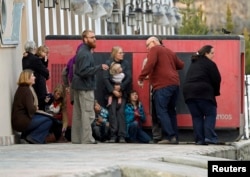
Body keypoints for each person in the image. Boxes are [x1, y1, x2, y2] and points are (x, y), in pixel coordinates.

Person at [138, 36, 184, 144]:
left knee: (161, 111)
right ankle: (174, 137)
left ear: (154, 42)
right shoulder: (169, 51)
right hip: (175, 84)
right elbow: (181, 65)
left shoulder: (155, 49)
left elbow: (150, 64)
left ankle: (169, 136)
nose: (147, 48)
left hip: (162, 85)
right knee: (171, 111)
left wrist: (141, 77)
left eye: (147, 45)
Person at [71, 30, 109, 144]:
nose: (94, 39)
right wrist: (99, 67)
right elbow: (83, 71)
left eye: (95, 37)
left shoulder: (82, 51)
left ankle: (77, 138)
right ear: (85, 39)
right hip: (85, 87)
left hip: (78, 86)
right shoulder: (85, 53)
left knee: (78, 114)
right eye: (92, 37)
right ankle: (87, 139)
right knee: (88, 113)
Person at [183, 45, 221, 145]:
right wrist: (215, 92)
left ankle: (200, 139)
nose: (214, 55)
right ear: (206, 53)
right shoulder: (210, 64)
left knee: (197, 117)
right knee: (210, 114)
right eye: (212, 53)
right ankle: (210, 137)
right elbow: (217, 79)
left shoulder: (194, 63)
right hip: (203, 92)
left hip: (188, 93)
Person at [11, 69, 53, 144]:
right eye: (32, 76)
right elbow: (31, 109)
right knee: (49, 120)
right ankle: (34, 138)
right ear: (27, 78)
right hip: (22, 122)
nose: (34, 77)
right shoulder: (26, 90)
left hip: (19, 121)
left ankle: (25, 137)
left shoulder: (22, 89)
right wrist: (35, 108)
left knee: (45, 118)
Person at [103, 46, 132, 143]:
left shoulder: (125, 64)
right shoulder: (108, 63)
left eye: (122, 52)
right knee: (112, 114)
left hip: (122, 93)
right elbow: (105, 78)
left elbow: (128, 77)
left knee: (121, 113)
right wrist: (113, 90)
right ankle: (113, 135)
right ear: (114, 54)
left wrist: (121, 87)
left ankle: (122, 135)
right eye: (120, 53)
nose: (122, 54)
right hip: (111, 94)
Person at [22, 41, 50, 111]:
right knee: (40, 103)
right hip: (37, 83)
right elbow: (44, 71)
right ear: (34, 48)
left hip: (28, 83)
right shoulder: (35, 59)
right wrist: (47, 75)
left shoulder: (24, 58)